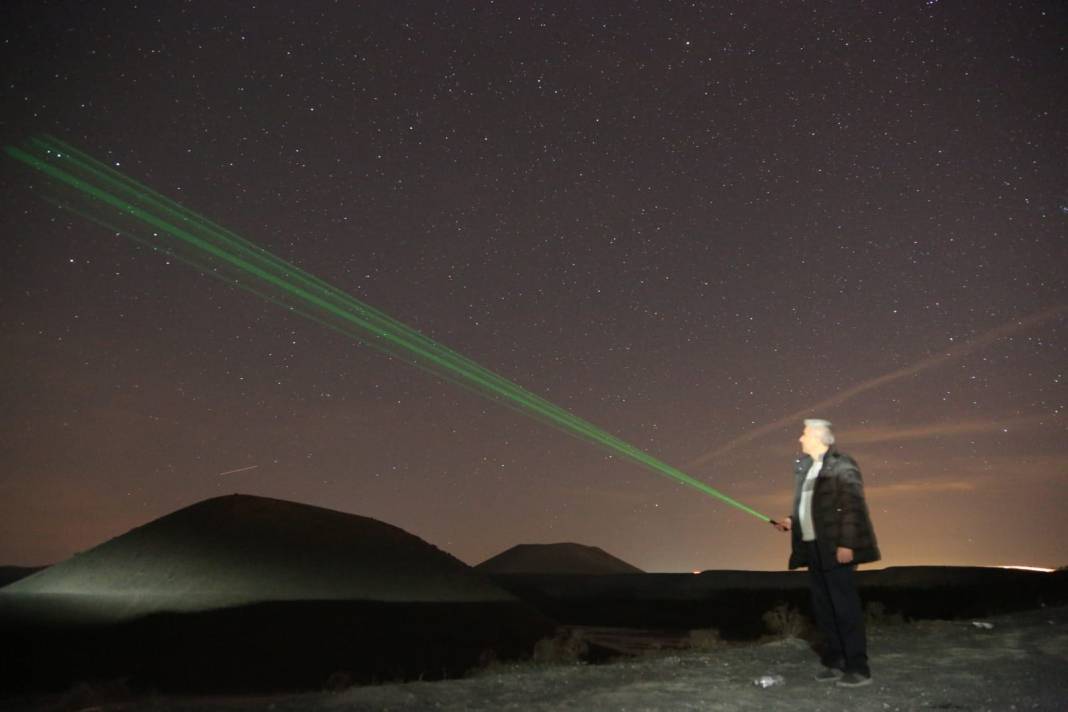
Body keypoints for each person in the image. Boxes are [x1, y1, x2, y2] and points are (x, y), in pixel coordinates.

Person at [773, 419, 880, 688]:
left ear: (820, 438)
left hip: (835, 547)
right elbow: (811, 507)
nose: (800, 439)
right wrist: (790, 520)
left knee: (844, 608)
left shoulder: (842, 464)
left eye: (804, 434)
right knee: (825, 609)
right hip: (814, 549)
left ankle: (858, 667)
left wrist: (847, 544)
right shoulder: (807, 470)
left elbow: (852, 504)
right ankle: (835, 662)